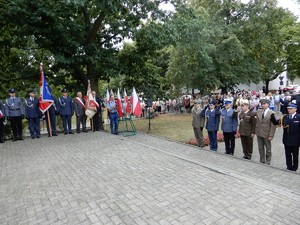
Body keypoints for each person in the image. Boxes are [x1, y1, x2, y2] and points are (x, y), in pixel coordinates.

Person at [271, 102, 299, 171]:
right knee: (287, 155)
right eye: (288, 109)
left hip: (296, 141)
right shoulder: (285, 117)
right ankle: (289, 167)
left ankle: (294, 168)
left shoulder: (298, 117)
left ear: (295, 109)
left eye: (291, 109)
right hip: (286, 140)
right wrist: (272, 117)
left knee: (295, 155)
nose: (289, 110)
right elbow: (277, 123)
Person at [252, 99, 277, 165]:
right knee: (260, 148)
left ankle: (268, 161)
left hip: (267, 133)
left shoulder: (272, 113)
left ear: (268, 104)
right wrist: (253, 107)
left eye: (264, 104)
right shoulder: (259, 111)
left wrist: (271, 135)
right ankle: (262, 160)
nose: (263, 105)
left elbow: (273, 125)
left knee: (268, 149)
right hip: (259, 132)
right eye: (262, 104)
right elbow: (251, 114)